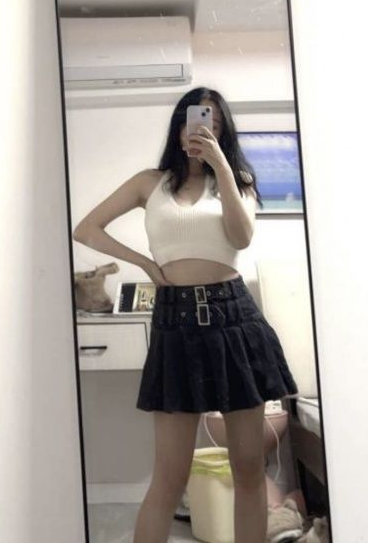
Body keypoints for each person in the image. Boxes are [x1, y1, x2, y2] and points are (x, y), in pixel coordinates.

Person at [73, 86, 299, 543]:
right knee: (169, 475)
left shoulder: (237, 180)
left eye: (212, 123)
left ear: (222, 131)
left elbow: (241, 237)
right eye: (193, 120)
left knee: (248, 468)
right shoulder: (149, 182)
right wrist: (143, 263)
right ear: (179, 128)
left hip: (234, 319)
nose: (200, 130)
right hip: (175, 323)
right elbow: (86, 228)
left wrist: (221, 167)